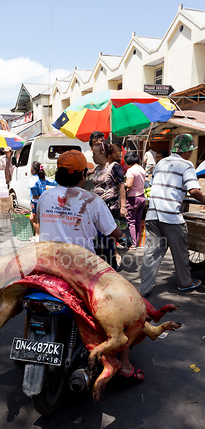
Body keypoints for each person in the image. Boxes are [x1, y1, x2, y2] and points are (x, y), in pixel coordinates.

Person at [37, 150, 142, 381]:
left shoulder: (45, 197)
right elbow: (112, 232)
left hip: (45, 265)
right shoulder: (91, 200)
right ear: (83, 175)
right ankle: (124, 366)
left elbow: (40, 222)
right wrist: (124, 238)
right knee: (123, 304)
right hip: (80, 269)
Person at [140, 134, 205, 297]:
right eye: (191, 150)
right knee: (181, 251)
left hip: (153, 214)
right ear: (187, 150)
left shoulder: (162, 162)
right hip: (170, 216)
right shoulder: (187, 164)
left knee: (151, 254)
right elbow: (193, 190)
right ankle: (185, 282)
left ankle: (144, 289)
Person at [91, 140, 127, 268]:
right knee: (98, 238)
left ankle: (111, 264)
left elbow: (121, 187)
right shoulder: (97, 169)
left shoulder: (114, 167)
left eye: (94, 154)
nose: (92, 157)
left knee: (107, 237)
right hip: (97, 207)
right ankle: (103, 263)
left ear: (102, 153)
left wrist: (123, 207)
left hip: (110, 207)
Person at [28, 161, 57, 241]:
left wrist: (35, 194)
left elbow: (32, 186)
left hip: (35, 202)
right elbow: (54, 182)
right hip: (42, 201)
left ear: (33, 170)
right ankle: (37, 234)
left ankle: (39, 236)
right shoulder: (43, 177)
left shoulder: (34, 178)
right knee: (33, 218)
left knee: (35, 219)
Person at [124, 151, 146, 249]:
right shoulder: (142, 169)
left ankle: (133, 244)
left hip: (133, 198)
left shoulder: (131, 170)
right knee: (137, 221)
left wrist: (121, 184)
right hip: (141, 197)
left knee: (131, 221)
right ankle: (136, 243)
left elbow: (129, 184)